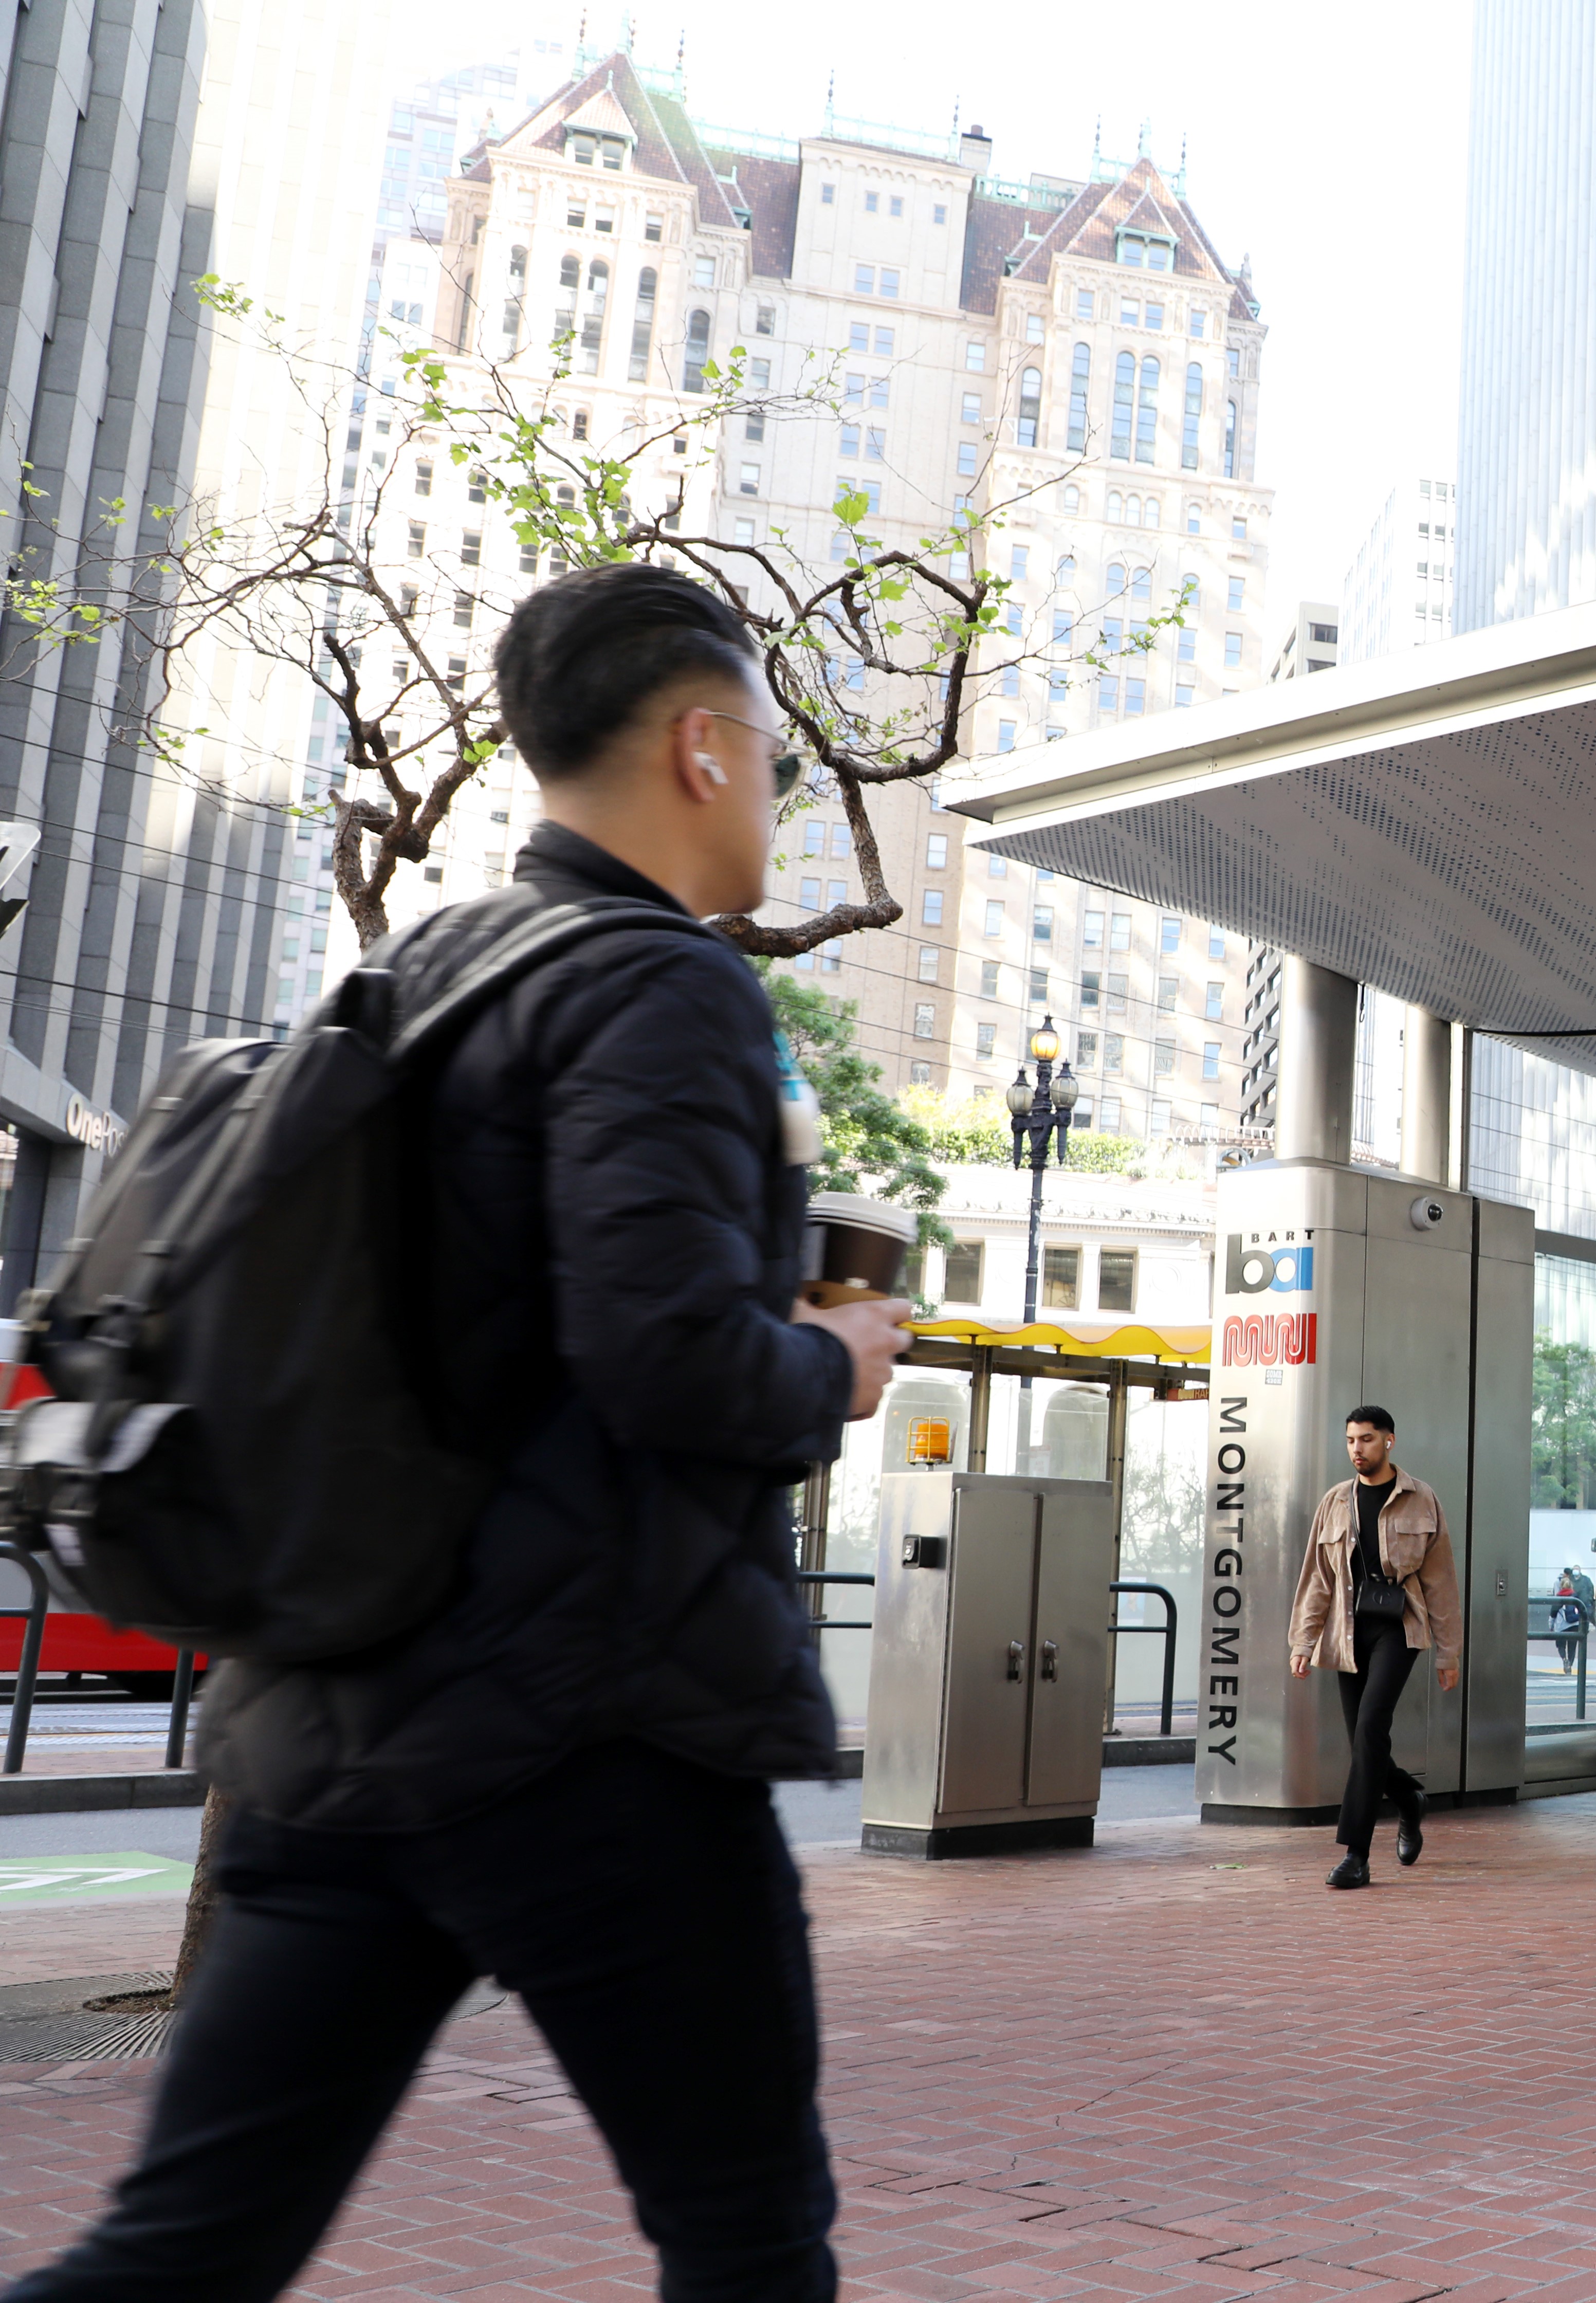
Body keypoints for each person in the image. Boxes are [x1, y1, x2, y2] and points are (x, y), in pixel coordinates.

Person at [1, 564, 918, 2303]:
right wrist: (840, 1365)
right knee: (745, 2229)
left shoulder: (420, 970)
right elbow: (666, 1367)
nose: (783, 802)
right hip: (592, 1738)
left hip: (328, 1724)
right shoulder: (661, 988)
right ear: (705, 749)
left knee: (184, 2245)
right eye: (780, 763)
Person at [1289, 1404, 1463, 1889]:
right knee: (1364, 1744)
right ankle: (1408, 1798)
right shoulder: (1335, 1502)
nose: (1356, 1450)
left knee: (1370, 1727)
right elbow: (1317, 1580)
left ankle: (1356, 1855)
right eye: (1350, 1441)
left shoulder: (1420, 1499)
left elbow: (1441, 1583)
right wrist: (1304, 1640)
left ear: (1389, 1441)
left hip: (1398, 1628)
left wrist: (1448, 1654)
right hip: (1347, 1631)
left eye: (1366, 1440)